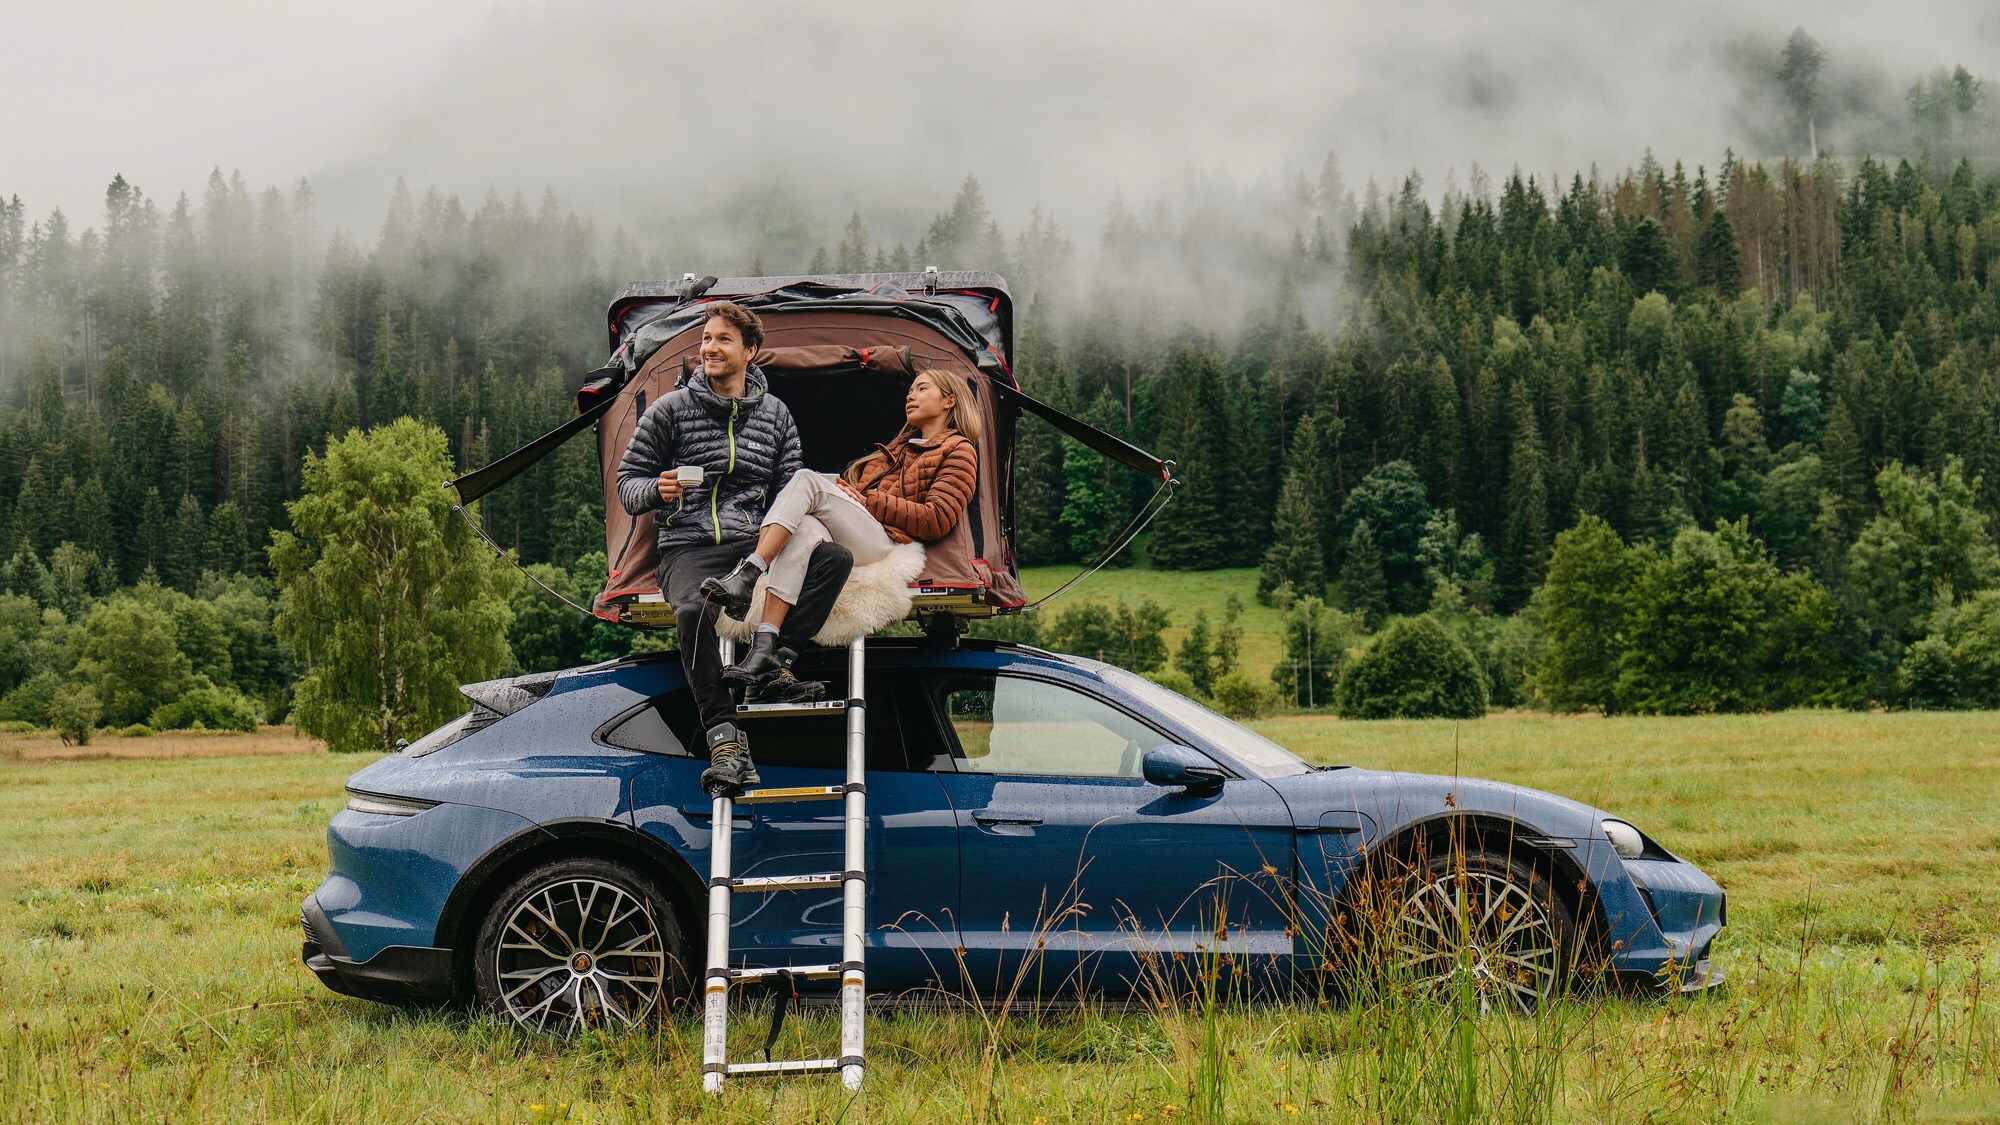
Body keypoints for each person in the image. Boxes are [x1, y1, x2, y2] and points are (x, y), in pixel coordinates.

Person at [615, 301, 854, 796]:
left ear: (751, 351)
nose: (709, 348)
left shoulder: (775, 415)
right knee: (690, 611)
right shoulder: (671, 410)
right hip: (689, 544)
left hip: (753, 541)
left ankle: (774, 664)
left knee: (834, 559)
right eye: (705, 339)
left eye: (723, 339)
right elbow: (626, 484)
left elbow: (792, 491)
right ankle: (724, 740)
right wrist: (656, 491)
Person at [701, 368, 980, 683]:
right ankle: (764, 645)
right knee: (804, 525)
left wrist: (865, 500)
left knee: (806, 479)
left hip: (887, 542)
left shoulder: (960, 450)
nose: (910, 395)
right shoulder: (897, 448)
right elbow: (856, 497)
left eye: (921, 389)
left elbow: (936, 519)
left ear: (949, 401)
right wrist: (846, 490)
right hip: (861, 531)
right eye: (910, 390)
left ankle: (749, 573)